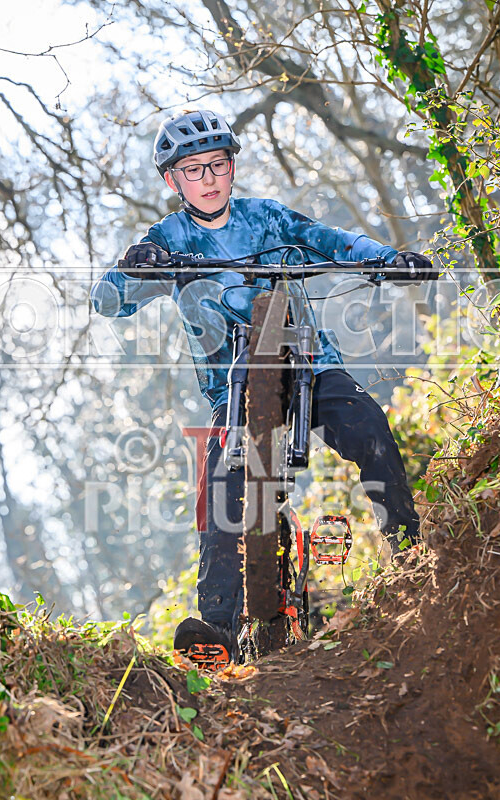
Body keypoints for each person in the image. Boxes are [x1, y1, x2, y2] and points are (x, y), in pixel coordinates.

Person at [91, 109, 434, 663]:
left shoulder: (268, 219)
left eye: (218, 165)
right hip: (233, 385)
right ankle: (219, 627)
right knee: (224, 474)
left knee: (368, 424)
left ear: (232, 167)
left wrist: (388, 261)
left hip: (310, 363)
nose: (208, 179)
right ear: (172, 180)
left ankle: (411, 553)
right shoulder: (168, 237)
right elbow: (106, 302)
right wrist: (136, 268)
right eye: (193, 170)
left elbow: (331, 240)